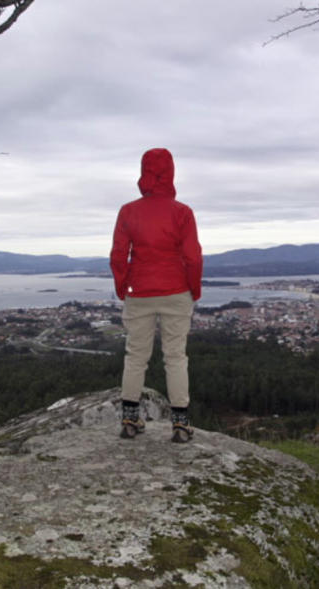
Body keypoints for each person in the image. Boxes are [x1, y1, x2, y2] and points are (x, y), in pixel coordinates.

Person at [110, 148, 203, 443]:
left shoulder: (128, 211)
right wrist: (194, 288)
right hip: (176, 290)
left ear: (143, 172)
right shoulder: (182, 212)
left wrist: (123, 287)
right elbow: (193, 257)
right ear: (171, 172)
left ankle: (129, 419)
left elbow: (118, 255)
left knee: (136, 356)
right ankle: (181, 424)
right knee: (175, 356)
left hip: (139, 291)